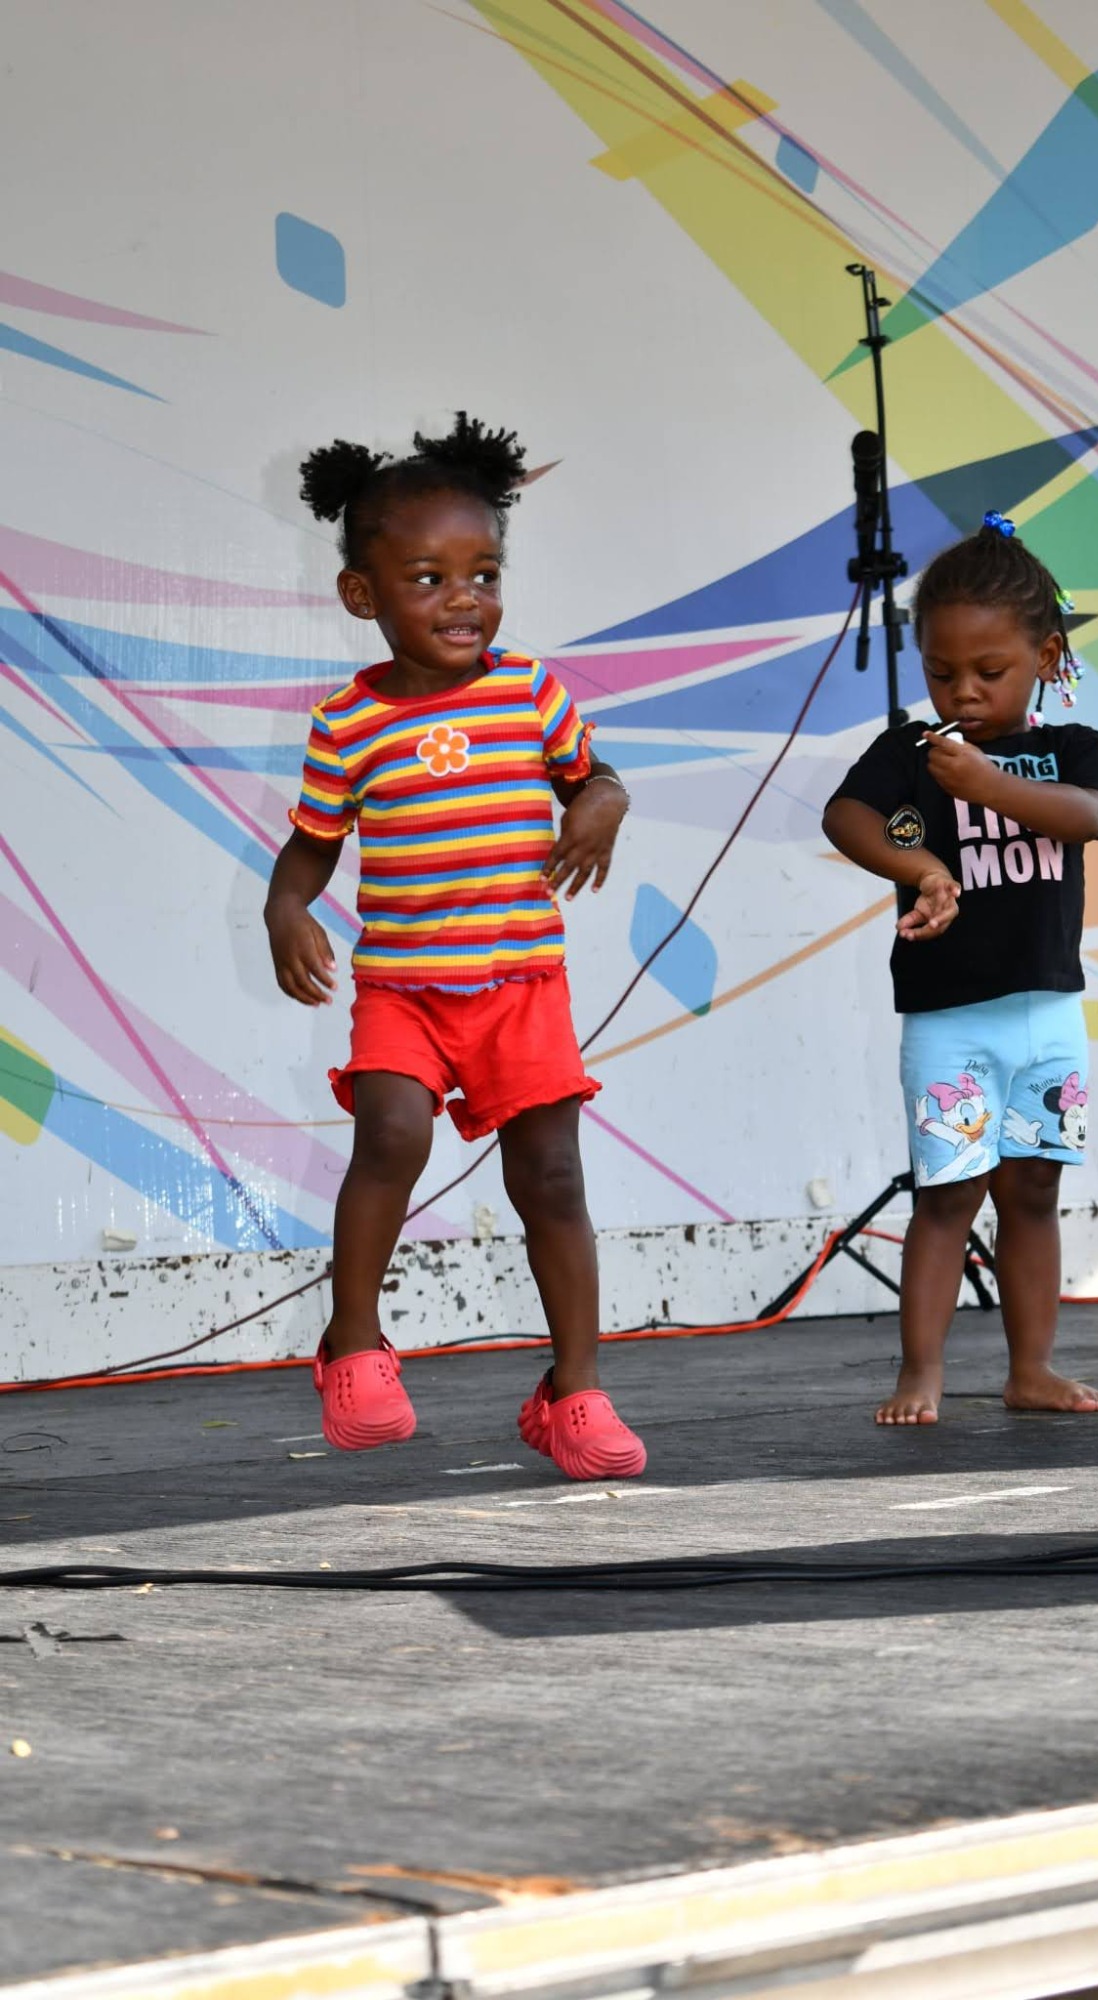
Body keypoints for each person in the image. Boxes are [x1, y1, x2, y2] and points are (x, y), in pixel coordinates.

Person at [264, 413, 646, 1480]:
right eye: (429, 578)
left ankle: (574, 1391)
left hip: (521, 982)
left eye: (482, 574)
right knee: (390, 1134)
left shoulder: (529, 691)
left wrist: (603, 804)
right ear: (363, 596)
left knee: (553, 1177)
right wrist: (285, 909)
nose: (464, 598)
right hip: (405, 988)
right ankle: (353, 1345)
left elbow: (594, 775)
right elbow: (312, 844)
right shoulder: (348, 724)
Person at [823, 511, 1098, 1425]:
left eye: (988, 671)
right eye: (940, 671)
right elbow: (845, 817)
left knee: (1033, 1192)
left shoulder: (1069, 750)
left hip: (1048, 1015)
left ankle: (1031, 1369)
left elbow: (1088, 816)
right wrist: (920, 867)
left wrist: (990, 784)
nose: (963, 691)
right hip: (948, 1019)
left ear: (1044, 654)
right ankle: (921, 1373)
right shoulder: (911, 753)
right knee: (946, 1196)